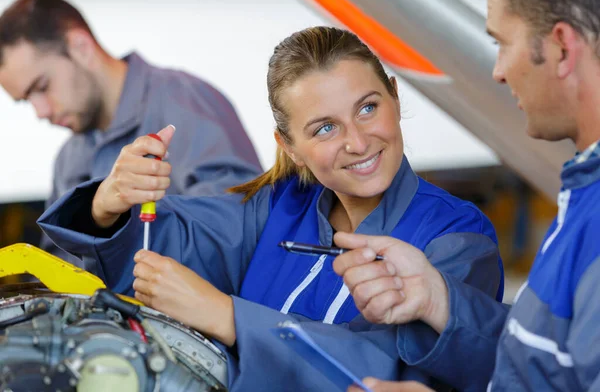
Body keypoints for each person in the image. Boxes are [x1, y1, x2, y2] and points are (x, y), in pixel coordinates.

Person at [37, 26, 504, 391]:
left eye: (367, 108)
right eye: (324, 128)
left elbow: (392, 374)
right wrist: (109, 202)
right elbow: (176, 241)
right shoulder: (277, 206)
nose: (358, 141)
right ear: (290, 147)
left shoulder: (458, 235)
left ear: (396, 99)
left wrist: (228, 317)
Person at [337, 0, 600, 391]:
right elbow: (547, 364)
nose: (498, 71)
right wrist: (436, 298)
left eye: (502, 43)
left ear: (562, 47)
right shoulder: (585, 194)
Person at [0, 0, 262, 265]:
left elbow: (237, 229)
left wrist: (110, 225)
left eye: (42, 87)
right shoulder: (67, 161)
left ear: (81, 48)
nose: (40, 112)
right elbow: (58, 268)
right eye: (26, 100)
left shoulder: (185, 102)